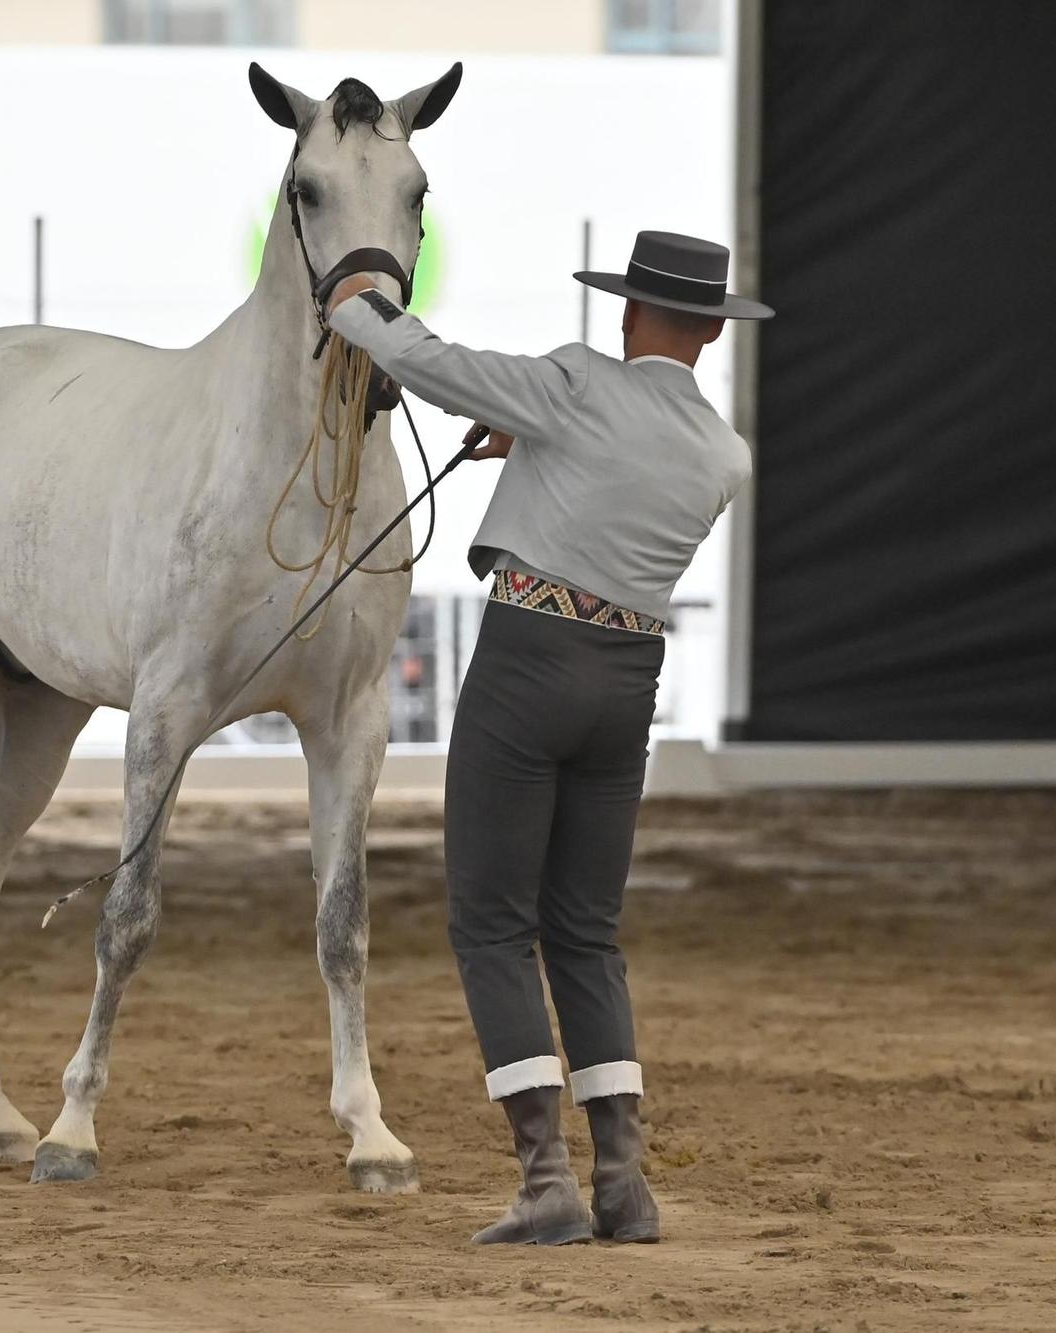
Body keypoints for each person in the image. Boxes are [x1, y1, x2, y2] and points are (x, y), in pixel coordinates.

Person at [325, 231, 774, 1245]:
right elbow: (615, 473)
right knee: (584, 930)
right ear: (709, 329)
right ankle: (622, 1179)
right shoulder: (722, 454)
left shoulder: (574, 381)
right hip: (627, 681)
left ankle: (543, 1182)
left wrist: (355, 301)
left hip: (530, 658)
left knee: (490, 924)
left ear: (623, 314)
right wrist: (534, 442)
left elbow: (434, 365)